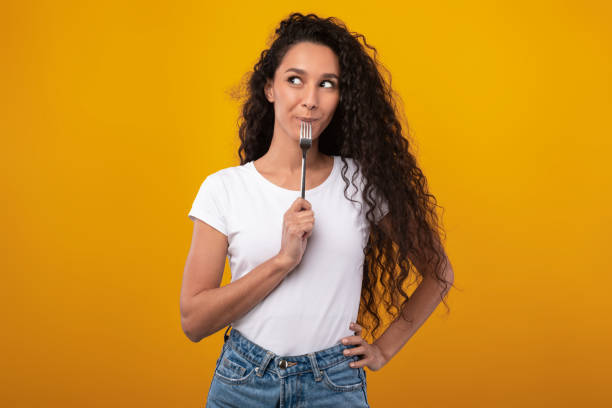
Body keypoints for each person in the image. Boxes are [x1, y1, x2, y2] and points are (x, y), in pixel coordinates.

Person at [180, 12, 455, 407]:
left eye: (327, 85)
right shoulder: (224, 189)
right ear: (270, 88)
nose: (310, 99)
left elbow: (438, 271)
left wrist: (383, 350)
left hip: (333, 385)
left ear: (341, 98)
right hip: (243, 384)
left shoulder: (360, 182)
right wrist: (283, 260)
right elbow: (194, 321)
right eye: (295, 80)